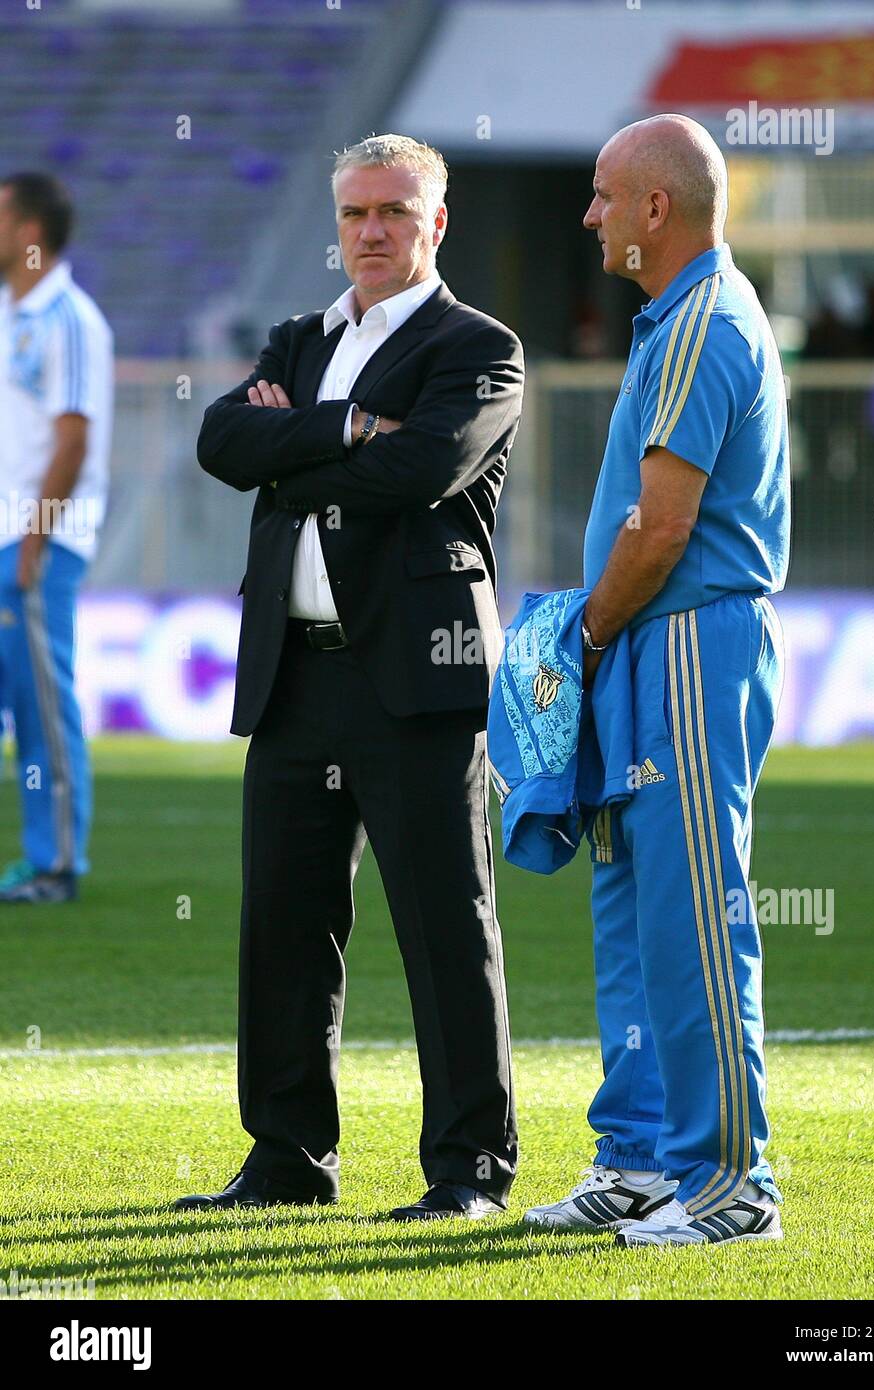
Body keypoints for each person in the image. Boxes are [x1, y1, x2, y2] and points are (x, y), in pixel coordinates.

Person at [176, 135, 523, 1220]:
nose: (370, 231)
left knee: (444, 922)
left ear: (436, 222)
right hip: (294, 672)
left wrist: (302, 452)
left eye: (393, 211)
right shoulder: (300, 335)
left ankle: (466, 1169)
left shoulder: (479, 344)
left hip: (416, 675)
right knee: (281, 923)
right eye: (353, 214)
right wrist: (343, 428)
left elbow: (422, 467)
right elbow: (223, 442)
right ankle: (285, 1159)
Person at [524, 115, 791, 1247]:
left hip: (681, 640)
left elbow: (662, 526)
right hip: (648, 643)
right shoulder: (670, 321)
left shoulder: (697, 322)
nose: (585, 214)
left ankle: (731, 1185)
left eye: (599, 195)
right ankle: (638, 1160)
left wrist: (576, 637)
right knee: (632, 910)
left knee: (690, 913)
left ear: (653, 211)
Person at [0, 172, 113, 906]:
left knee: (41, 706)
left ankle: (56, 864)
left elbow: (72, 439)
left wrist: (35, 542)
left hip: (34, 540)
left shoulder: (68, 318)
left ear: (30, 231)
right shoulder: (11, 312)